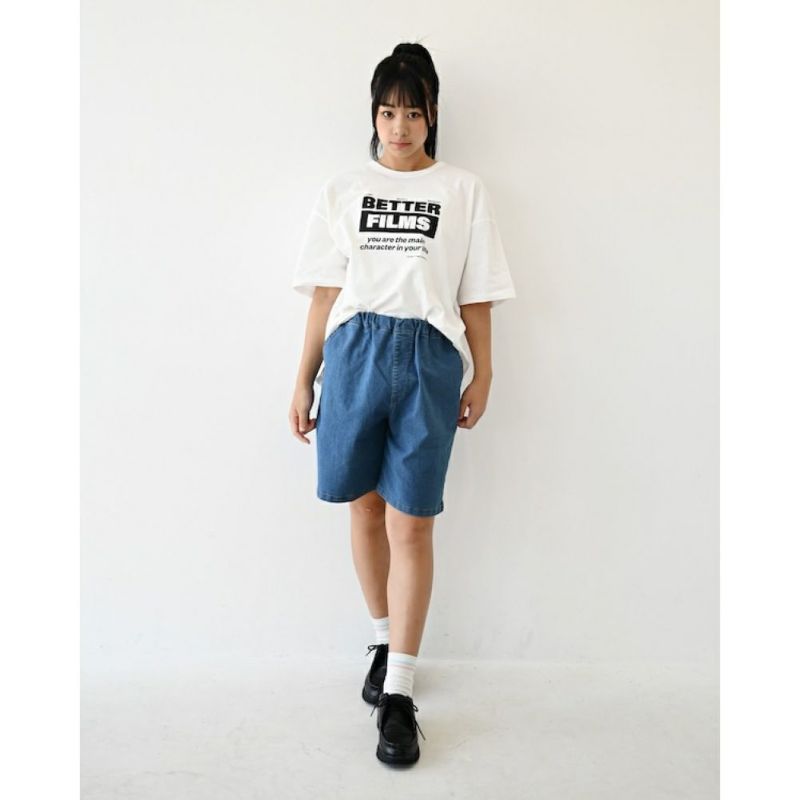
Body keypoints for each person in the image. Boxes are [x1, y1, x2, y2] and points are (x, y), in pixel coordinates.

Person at [288, 41, 516, 766]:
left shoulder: (463, 190)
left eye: (412, 113)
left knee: (411, 520)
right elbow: (326, 293)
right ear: (373, 115)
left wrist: (483, 372)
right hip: (354, 352)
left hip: (428, 356)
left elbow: (477, 293)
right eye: (388, 112)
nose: (399, 126)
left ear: (433, 115)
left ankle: (400, 694)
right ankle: (384, 642)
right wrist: (304, 377)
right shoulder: (343, 189)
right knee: (363, 508)